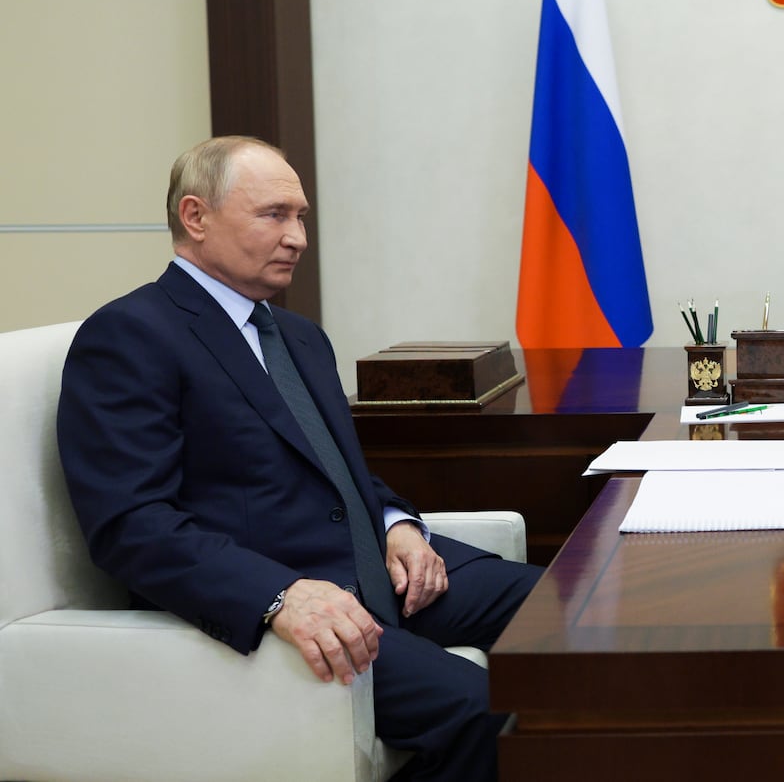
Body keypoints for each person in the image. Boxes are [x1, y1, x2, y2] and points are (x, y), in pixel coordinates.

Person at [57, 136, 540, 782]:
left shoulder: (299, 335)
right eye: (274, 214)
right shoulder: (130, 334)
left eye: (301, 215)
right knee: (486, 710)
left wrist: (397, 521)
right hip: (292, 594)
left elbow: (335, 471)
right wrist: (278, 595)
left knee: (570, 612)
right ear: (195, 217)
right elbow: (131, 524)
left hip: (379, 573)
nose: (298, 237)